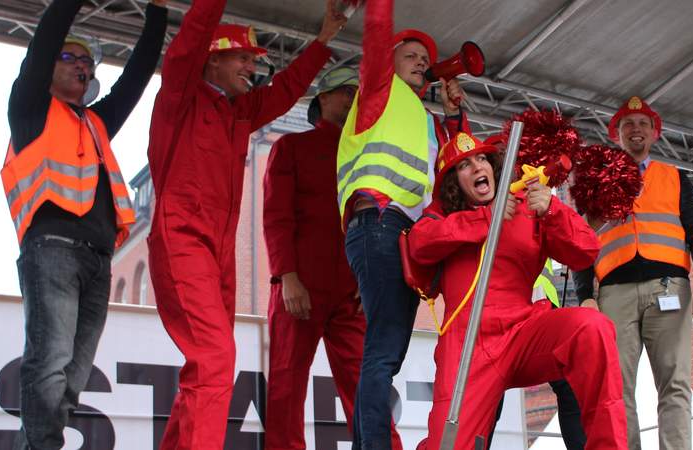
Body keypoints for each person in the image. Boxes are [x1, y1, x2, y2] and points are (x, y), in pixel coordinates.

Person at [146, 0, 347, 448]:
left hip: (219, 254)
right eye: (243, 59)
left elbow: (285, 90)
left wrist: (324, 39)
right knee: (215, 357)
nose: (251, 69)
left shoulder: (239, 113)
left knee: (207, 366)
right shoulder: (180, 96)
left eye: (253, 62)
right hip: (182, 241)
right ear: (212, 58)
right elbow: (189, 40)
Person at [0, 0, 167, 447]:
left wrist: (157, 11)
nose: (82, 65)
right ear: (49, 68)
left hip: (98, 259)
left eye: (87, 61)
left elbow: (135, 77)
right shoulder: (30, 109)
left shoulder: (96, 123)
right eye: (69, 57)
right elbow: (44, 42)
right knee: (50, 361)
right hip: (51, 248)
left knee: (73, 372)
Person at [408, 132, 627, 450]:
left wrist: (551, 209)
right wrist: (486, 218)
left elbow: (586, 250)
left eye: (482, 158)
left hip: (522, 330)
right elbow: (420, 243)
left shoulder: (528, 207)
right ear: (454, 182)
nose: (477, 166)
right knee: (449, 444)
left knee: (592, 327)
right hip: (467, 344)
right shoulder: (444, 215)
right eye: (464, 165)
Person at [336, 0, 469, 447]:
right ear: (388, 62)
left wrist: (454, 116)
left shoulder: (425, 119)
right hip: (379, 222)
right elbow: (376, 34)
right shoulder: (378, 91)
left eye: (424, 60)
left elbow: (458, 167)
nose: (421, 64)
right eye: (410, 55)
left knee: (386, 350)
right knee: (383, 350)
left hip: (401, 235)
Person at [263, 66, 402, 449]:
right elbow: (276, 215)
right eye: (346, 93)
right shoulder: (291, 147)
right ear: (322, 98)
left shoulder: (369, 157)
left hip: (352, 291)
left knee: (367, 385)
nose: (353, 100)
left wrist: (370, 281)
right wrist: (286, 275)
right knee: (286, 386)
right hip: (300, 286)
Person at [574, 96, 693, 450]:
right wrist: (586, 297)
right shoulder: (597, 182)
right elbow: (579, 243)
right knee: (615, 388)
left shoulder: (673, 178)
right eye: (627, 125)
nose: (635, 130)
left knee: (675, 383)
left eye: (642, 124)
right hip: (613, 295)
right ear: (616, 136)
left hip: (670, 287)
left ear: (654, 134)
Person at [483, 135, 587, 450]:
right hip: (491, 321)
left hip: (539, 312)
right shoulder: (482, 208)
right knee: (487, 396)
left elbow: (578, 249)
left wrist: (552, 210)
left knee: (570, 385)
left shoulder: (535, 203)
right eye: (507, 160)